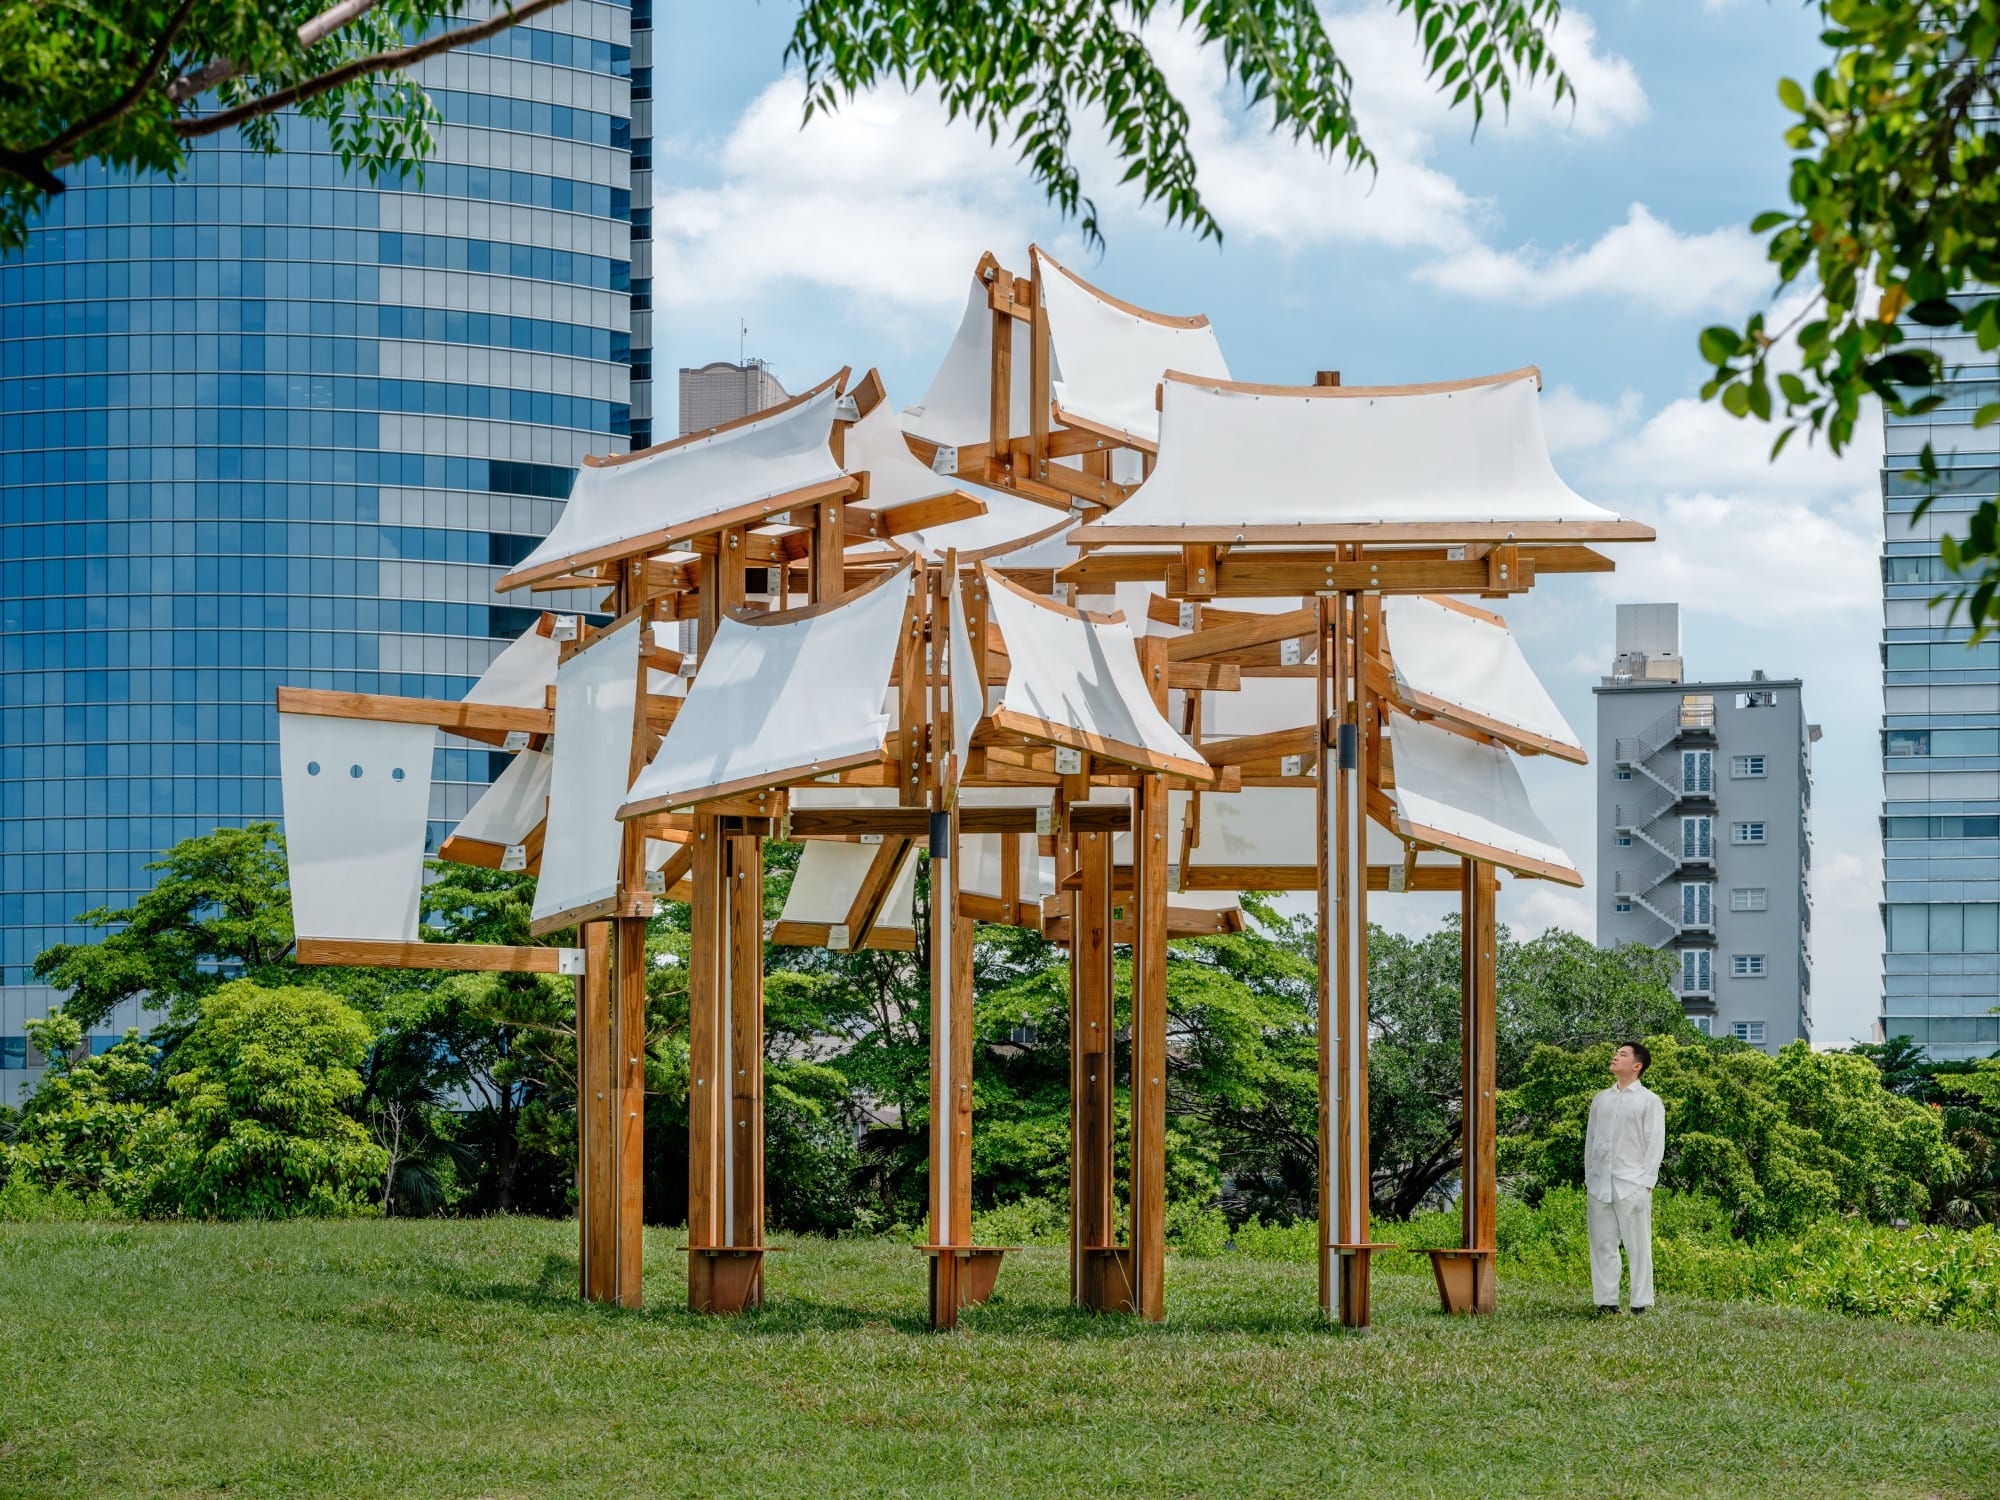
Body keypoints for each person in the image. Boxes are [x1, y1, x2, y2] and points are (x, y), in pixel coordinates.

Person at [1584, 1040, 1665, 1316]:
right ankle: (1606, 1302)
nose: (1615, 1057)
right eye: (1616, 1053)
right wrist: (1589, 1177)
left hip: (1632, 1184)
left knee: (1638, 1246)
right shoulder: (1600, 1099)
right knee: (1603, 1244)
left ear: (1637, 1065)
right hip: (1599, 1184)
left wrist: (1646, 1183)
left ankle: (1640, 1303)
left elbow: (1655, 1144)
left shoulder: (1649, 1101)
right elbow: (1591, 1141)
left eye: (1623, 1054)